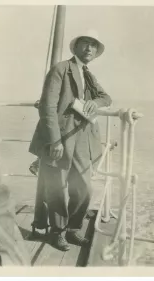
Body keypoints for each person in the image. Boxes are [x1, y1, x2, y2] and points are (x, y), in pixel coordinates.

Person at [29, 31, 112, 251]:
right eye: (85, 44)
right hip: (60, 137)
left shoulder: (88, 75)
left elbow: (107, 98)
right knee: (56, 187)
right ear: (75, 48)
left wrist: (95, 102)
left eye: (93, 46)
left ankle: (73, 229)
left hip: (82, 139)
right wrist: (54, 141)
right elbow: (47, 107)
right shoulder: (60, 69)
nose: (89, 49)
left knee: (84, 188)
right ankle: (57, 233)